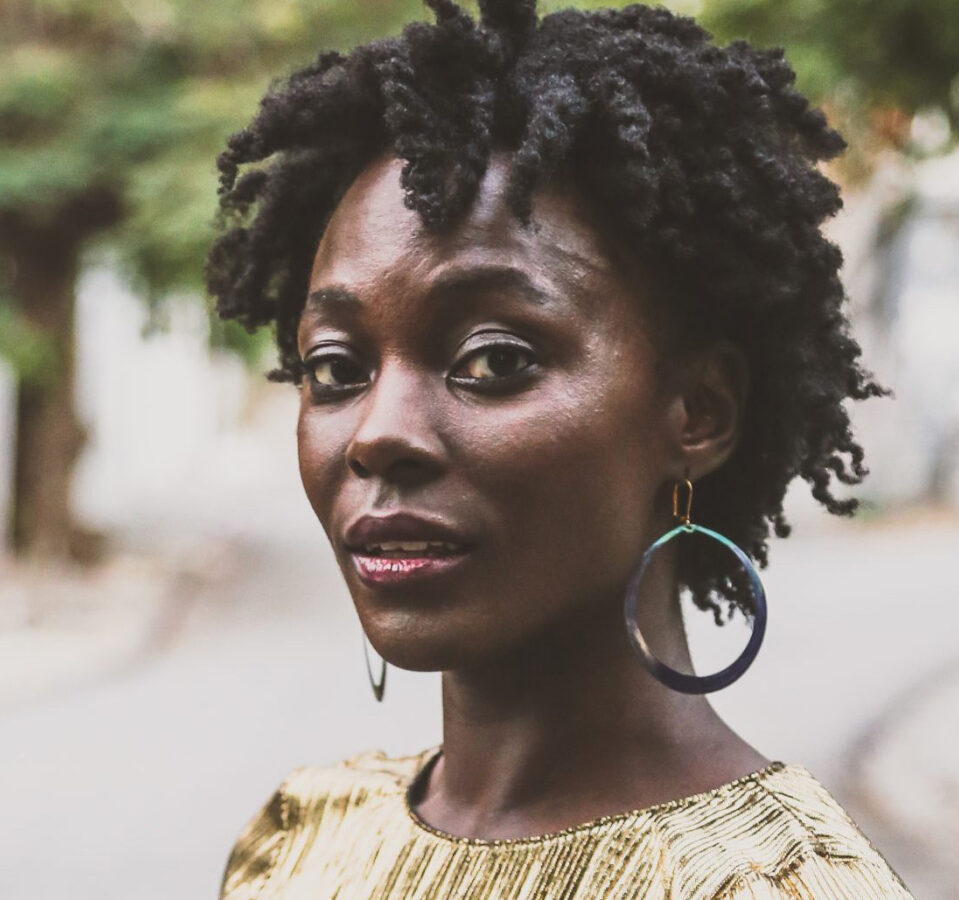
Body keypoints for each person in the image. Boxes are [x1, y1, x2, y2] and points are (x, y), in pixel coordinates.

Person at [203, 1, 914, 897]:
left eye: (493, 360)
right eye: (336, 367)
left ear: (698, 412)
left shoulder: (771, 885)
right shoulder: (295, 843)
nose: (379, 433)